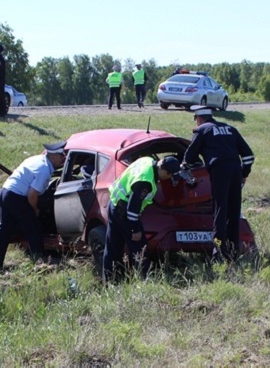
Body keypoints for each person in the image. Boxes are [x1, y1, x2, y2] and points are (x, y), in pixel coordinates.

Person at [182, 105, 255, 262]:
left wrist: (183, 168)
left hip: (219, 172)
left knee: (219, 211)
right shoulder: (230, 129)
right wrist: (244, 174)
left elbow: (190, 155)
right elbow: (248, 155)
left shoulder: (202, 131)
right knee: (234, 211)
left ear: (199, 119)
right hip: (235, 171)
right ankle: (233, 252)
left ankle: (218, 253)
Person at [0, 141, 67, 274]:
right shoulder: (44, 170)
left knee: (3, 232)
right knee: (33, 228)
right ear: (52, 156)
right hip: (16, 197)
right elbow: (32, 195)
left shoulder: (37, 159)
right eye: (61, 156)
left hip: (5, 192)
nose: (63, 159)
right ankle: (40, 263)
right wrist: (34, 209)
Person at [103, 156, 181, 283]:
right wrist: (135, 230)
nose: (168, 179)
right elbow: (132, 209)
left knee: (113, 247)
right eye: (170, 176)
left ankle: (111, 282)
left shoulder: (147, 160)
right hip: (125, 211)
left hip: (114, 203)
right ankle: (145, 282)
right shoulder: (146, 181)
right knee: (140, 248)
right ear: (165, 172)